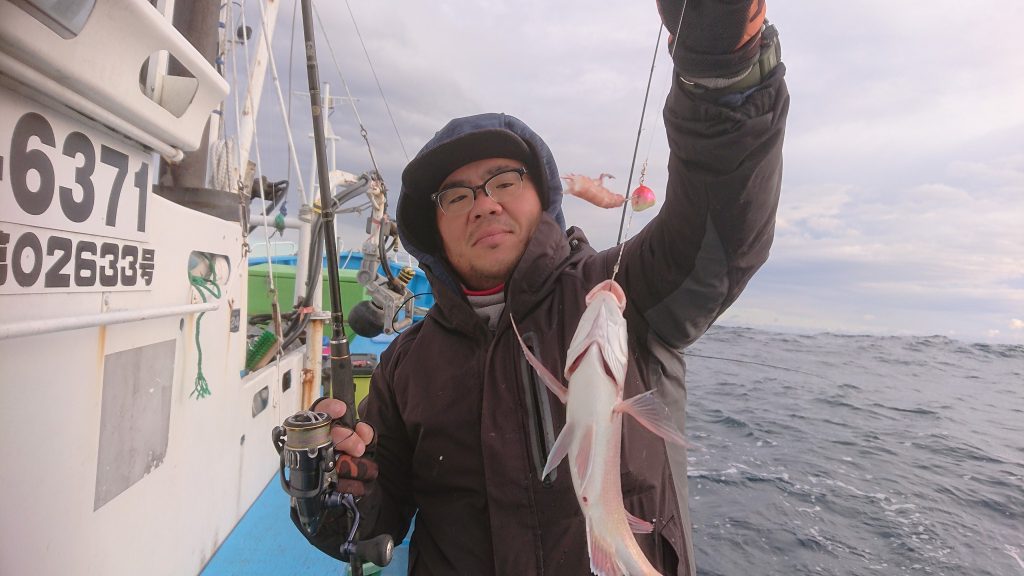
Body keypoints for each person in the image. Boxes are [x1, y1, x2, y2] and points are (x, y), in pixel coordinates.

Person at [297, 1, 789, 574]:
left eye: (504, 180)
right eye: (457, 195)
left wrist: (719, 68)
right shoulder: (404, 367)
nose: (484, 203)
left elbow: (723, 226)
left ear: (544, 197)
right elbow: (373, 520)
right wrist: (329, 489)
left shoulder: (623, 287)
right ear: (432, 229)